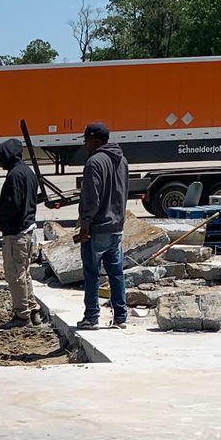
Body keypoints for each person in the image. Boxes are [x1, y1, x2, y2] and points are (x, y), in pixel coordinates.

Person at [75, 121, 129, 329]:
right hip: (116, 226)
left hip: (97, 228)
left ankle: (91, 317)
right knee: (116, 273)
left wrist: (85, 225)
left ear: (95, 140)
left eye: (87, 140)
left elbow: (91, 198)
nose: (85, 144)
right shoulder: (121, 159)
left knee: (91, 273)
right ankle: (121, 317)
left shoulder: (94, 163)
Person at [0, 137, 41, 327]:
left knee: (15, 274)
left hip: (17, 233)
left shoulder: (15, 175)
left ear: (9, 156)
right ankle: (33, 311)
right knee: (24, 272)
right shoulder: (27, 173)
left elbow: (13, 206)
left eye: (1, 157)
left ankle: (21, 316)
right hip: (27, 231)